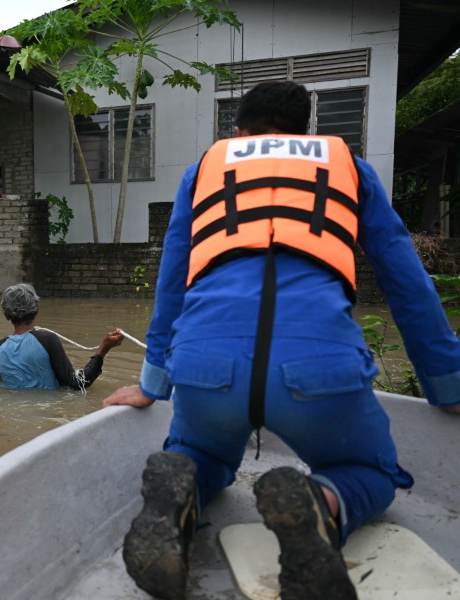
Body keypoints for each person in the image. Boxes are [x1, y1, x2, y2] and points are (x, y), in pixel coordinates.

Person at [103, 81, 460, 600]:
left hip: (206, 365)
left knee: (197, 455)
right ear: (304, 132)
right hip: (319, 369)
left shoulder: (203, 171)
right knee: (370, 472)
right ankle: (321, 503)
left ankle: (178, 498)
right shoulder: (349, 168)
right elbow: (408, 283)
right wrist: (447, 386)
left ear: (237, 132)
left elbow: (173, 279)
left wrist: (152, 384)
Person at [0, 283, 124, 390]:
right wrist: (103, 349)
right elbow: (77, 384)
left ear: (6, 313)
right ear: (35, 309)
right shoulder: (47, 339)